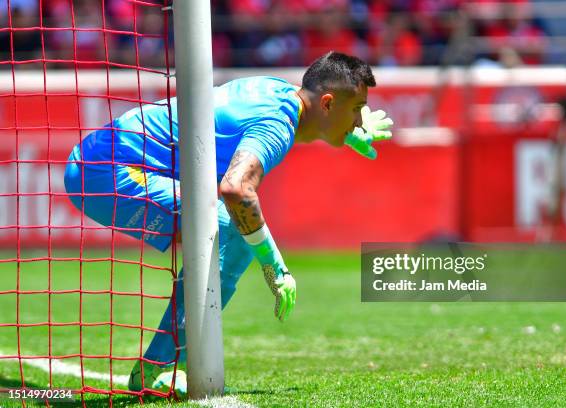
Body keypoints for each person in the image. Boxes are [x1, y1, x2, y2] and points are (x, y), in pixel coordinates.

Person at [63, 51, 393, 397]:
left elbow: (289, 122)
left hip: (99, 158)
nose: (359, 120)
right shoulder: (277, 123)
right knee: (227, 226)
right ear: (327, 103)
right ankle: (159, 369)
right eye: (356, 109)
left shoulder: (280, 93)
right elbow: (237, 190)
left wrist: (345, 134)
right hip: (104, 172)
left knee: (225, 228)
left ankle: (164, 364)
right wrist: (274, 268)